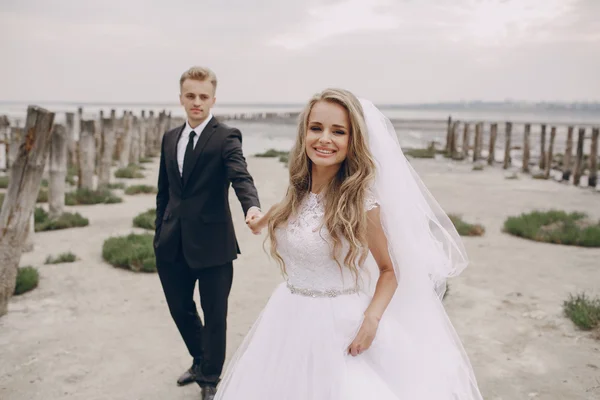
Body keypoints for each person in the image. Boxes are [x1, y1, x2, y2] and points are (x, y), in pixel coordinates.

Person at [214, 88, 484, 399]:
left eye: (338, 131)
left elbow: (389, 269)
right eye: (316, 128)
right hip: (287, 316)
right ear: (304, 133)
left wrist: (372, 319)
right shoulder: (298, 191)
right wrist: (261, 217)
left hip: (339, 325)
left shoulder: (362, 202)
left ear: (352, 141)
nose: (324, 139)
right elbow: (294, 215)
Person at [154, 66, 262, 400]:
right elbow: (164, 190)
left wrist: (252, 207)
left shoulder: (226, 136)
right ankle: (200, 360)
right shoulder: (170, 137)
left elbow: (240, 176)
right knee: (180, 309)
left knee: (215, 314)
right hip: (171, 242)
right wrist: (159, 232)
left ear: (213, 99)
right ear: (181, 98)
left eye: (203, 96)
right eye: (191, 96)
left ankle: (211, 377)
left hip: (213, 245)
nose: (196, 102)